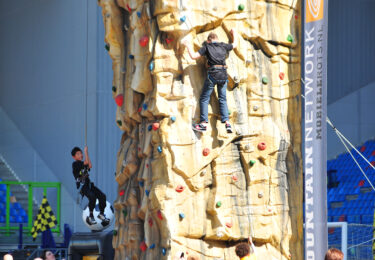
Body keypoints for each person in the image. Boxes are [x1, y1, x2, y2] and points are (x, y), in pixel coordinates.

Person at [182, 30, 237, 133]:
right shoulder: (223, 46)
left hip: (213, 74)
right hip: (223, 74)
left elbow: (193, 56)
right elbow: (235, 44)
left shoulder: (207, 47)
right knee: (223, 99)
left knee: (204, 98)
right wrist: (234, 34)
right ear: (217, 39)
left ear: (208, 40)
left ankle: (203, 124)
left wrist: (188, 45)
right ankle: (227, 123)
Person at [71, 146, 109, 225]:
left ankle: (101, 214)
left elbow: (90, 165)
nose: (80, 155)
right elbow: (86, 163)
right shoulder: (75, 164)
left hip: (89, 185)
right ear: (74, 157)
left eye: (81, 153)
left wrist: (86, 154)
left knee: (102, 196)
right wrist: (85, 152)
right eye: (78, 154)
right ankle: (90, 216)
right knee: (92, 197)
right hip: (83, 186)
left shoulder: (83, 163)